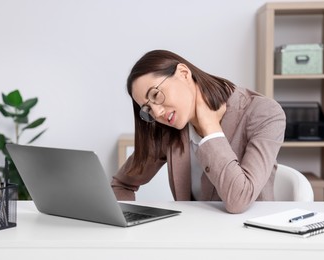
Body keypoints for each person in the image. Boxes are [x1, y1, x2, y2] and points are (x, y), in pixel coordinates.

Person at [111, 50, 286, 213]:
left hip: (251, 238)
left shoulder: (264, 113)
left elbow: (239, 200)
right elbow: (121, 184)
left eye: (156, 95)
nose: (157, 113)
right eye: (147, 109)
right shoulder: (169, 129)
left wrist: (210, 130)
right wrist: (128, 219)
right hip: (193, 237)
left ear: (183, 74)